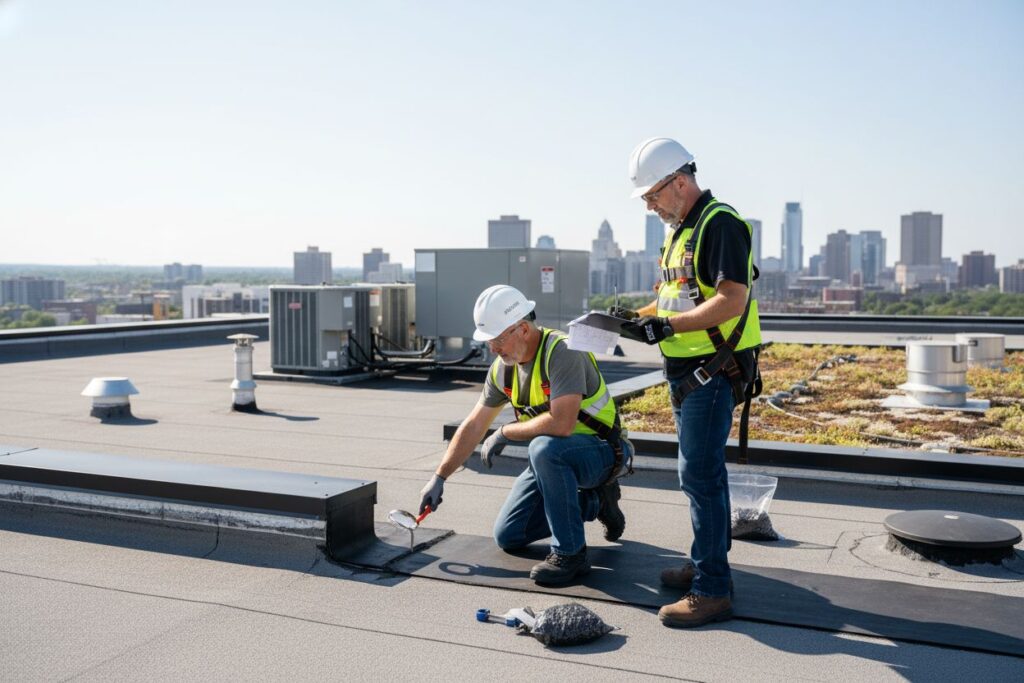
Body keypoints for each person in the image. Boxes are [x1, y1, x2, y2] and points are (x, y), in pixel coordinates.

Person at [616, 137, 762, 628]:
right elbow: (675, 299)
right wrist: (634, 319)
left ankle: (712, 589)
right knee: (703, 477)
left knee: (698, 477)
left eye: (653, 195)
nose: (651, 206)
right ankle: (707, 565)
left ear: (680, 183)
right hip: (688, 370)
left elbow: (730, 301)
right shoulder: (682, 231)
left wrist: (668, 327)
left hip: (715, 370)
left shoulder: (720, 223)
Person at [419, 284, 632, 586]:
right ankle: (597, 503)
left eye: (496, 339)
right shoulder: (502, 369)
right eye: (489, 340)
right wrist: (440, 476)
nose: (492, 348)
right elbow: (474, 425)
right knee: (509, 535)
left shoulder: (562, 351)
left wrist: (505, 432)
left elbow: (562, 424)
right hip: (555, 459)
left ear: (521, 328)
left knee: (544, 448)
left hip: (604, 452)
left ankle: (571, 555)